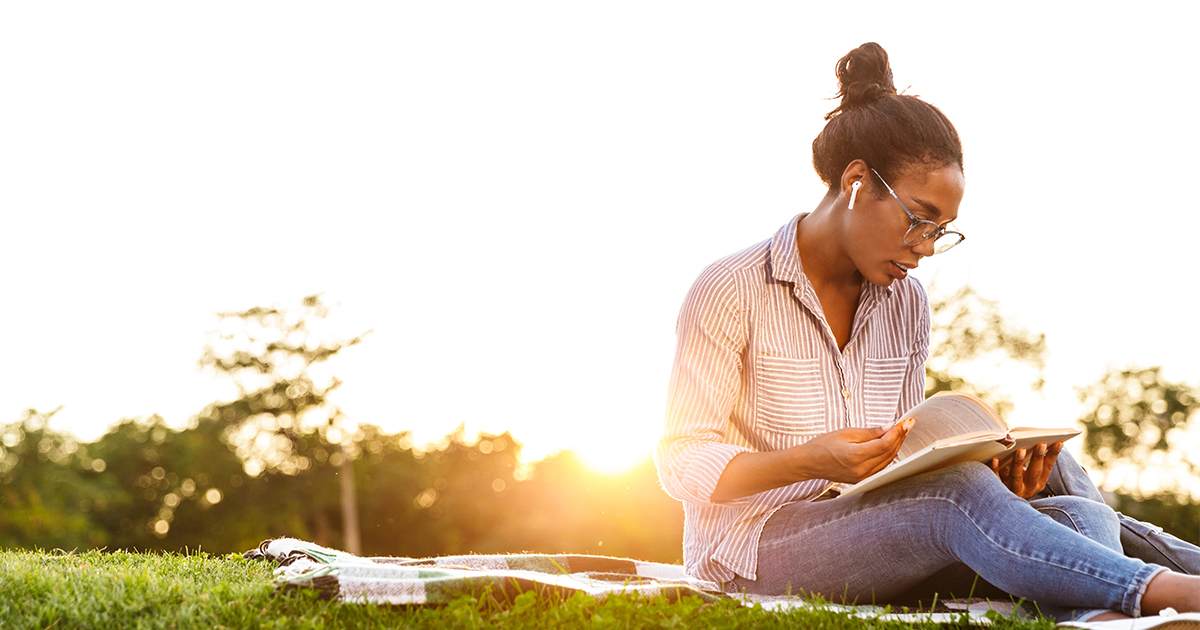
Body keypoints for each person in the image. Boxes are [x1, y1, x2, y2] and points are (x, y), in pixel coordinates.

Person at [654, 42, 1200, 623]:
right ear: (857, 180)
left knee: (1068, 493)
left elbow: (905, 456)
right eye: (919, 218)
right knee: (955, 496)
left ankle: (1113, 606)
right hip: (753, 546)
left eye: (942, 230)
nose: (926, 247)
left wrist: (1003, 482)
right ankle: (1172, 596)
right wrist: (812, 461)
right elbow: (681, 460)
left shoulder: (905, 303)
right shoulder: (730, 287)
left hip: (881, 526)